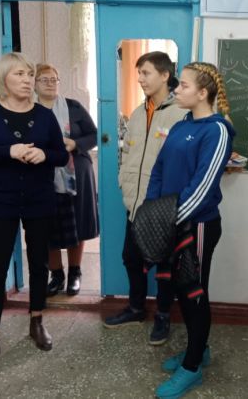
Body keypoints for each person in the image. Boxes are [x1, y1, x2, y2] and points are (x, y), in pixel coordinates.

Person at [0, 52, 68, 379]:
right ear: (4, 80)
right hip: (1, 201)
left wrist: (44, 154)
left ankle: (36, 322)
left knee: (39, 264)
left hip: (40, 200)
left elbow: (61, 155)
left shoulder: (44, 116)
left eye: (29, 74)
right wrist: (6, 151)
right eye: (19, 74)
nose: (27, 80)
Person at [149, 62, 234, 399]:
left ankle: (193, 365)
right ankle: (199, 349)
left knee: (193, 292)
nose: (176, 89)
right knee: (182, 290)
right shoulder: (182, 124)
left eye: (183, 85)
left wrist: (167, 220)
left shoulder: (217, 131)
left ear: (203, 93)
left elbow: (201, 188)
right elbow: (159, 170)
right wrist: (153, 212)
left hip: (196, 226)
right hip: (171, 222)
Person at [103, 51, 186, 346]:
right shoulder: (139, 112)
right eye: (139, 73)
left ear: (165, 75)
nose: (140, 79)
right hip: (135, 204)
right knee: (131, 258)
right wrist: (123, 182)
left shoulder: (181, 113)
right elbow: (127, 152)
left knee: (164, 265)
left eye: (146, 73)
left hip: (162, 207)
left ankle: (163, 316)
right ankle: (136, 309)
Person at [35, 63, 99, 297]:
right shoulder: (29, 110)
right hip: (43, 176)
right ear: (34, 84)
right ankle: (56, 275)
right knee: (47, 227)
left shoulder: (74, 107)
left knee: (77, 224)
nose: (51, 83)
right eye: (44, 79)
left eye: (54, 79)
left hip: (76, 174)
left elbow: (95, 135)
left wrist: (75, 144)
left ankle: (74, 274)